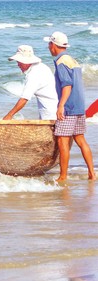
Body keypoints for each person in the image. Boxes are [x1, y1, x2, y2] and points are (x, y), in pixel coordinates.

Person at [44, 32, 95, 181]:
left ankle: (63, 176)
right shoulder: (73, 60)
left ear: (53, 45)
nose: (48, 46)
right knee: (80, 139)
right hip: (79, 106)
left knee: (62, 140)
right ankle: (92, 173)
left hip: (69, 107)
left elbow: (67, 85)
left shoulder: (61, 62)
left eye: (49, 44)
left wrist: (61, 106)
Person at [2, 45, 58, 120]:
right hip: (53, 108)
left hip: (50, 112)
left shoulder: (34, 74)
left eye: (19, 62)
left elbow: (24, 98)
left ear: (26, 62)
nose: (18, 64)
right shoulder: (41, 67)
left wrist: (9, 115)